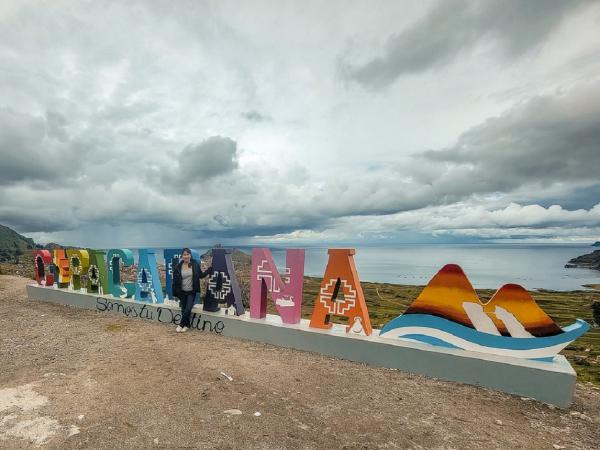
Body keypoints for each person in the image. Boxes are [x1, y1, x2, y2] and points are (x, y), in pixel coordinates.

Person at [172, 248, 210, 332]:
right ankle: (187, 325)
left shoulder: (195, 264)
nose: (186, 256)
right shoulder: (178, 266)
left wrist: (208, 271)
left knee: (188, 309)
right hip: (181, 291)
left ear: (190, 255)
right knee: (183, 309)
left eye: (187, 254)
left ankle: (181, 324)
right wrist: (175, 292)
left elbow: (200, 275)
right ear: (182, 256)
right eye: (184, 255)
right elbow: (175, 280)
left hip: (191, 291)